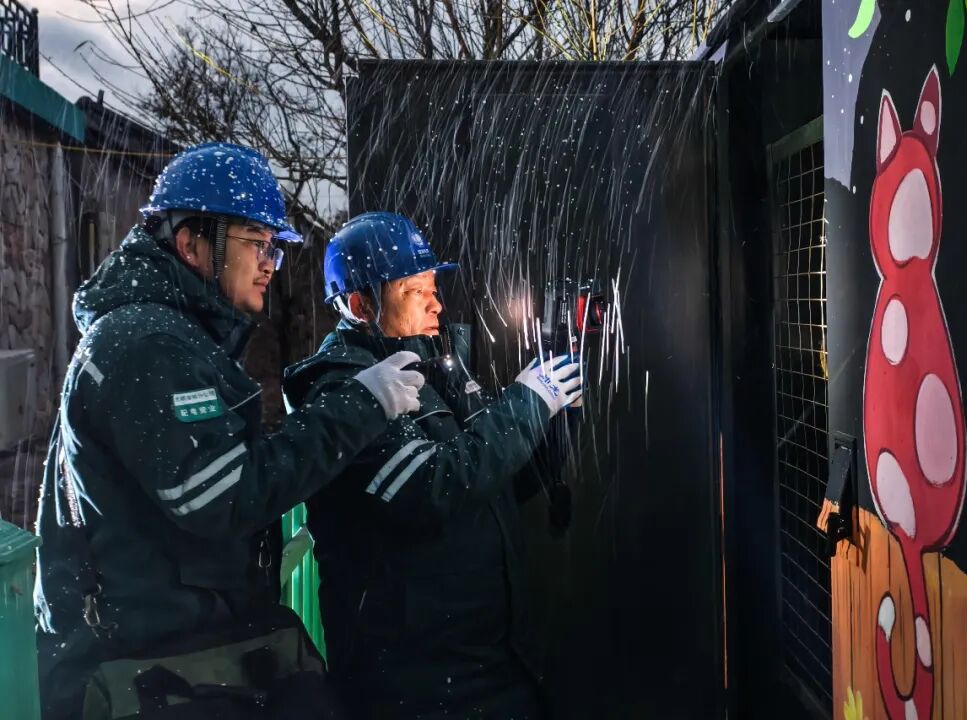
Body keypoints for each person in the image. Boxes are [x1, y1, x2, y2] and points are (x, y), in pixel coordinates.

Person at [34, 144, 425, 720]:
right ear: (193, 243)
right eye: (256, 243)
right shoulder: (148, 344)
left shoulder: (169, 332)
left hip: (176, 653)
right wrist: (358, 407)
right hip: (145, 671)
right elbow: (219, 496)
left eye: (274, 248)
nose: (270, 262)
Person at [282, 211, 582, 720]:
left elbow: (495, 482)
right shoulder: (342, 391)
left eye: (434, 287)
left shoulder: (431, 370)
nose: (437, 303)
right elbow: (433, 487)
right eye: (415, 291)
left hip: (491, 666)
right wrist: (528, 404)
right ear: (360, 304)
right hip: (416, 686)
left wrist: (555, 418)